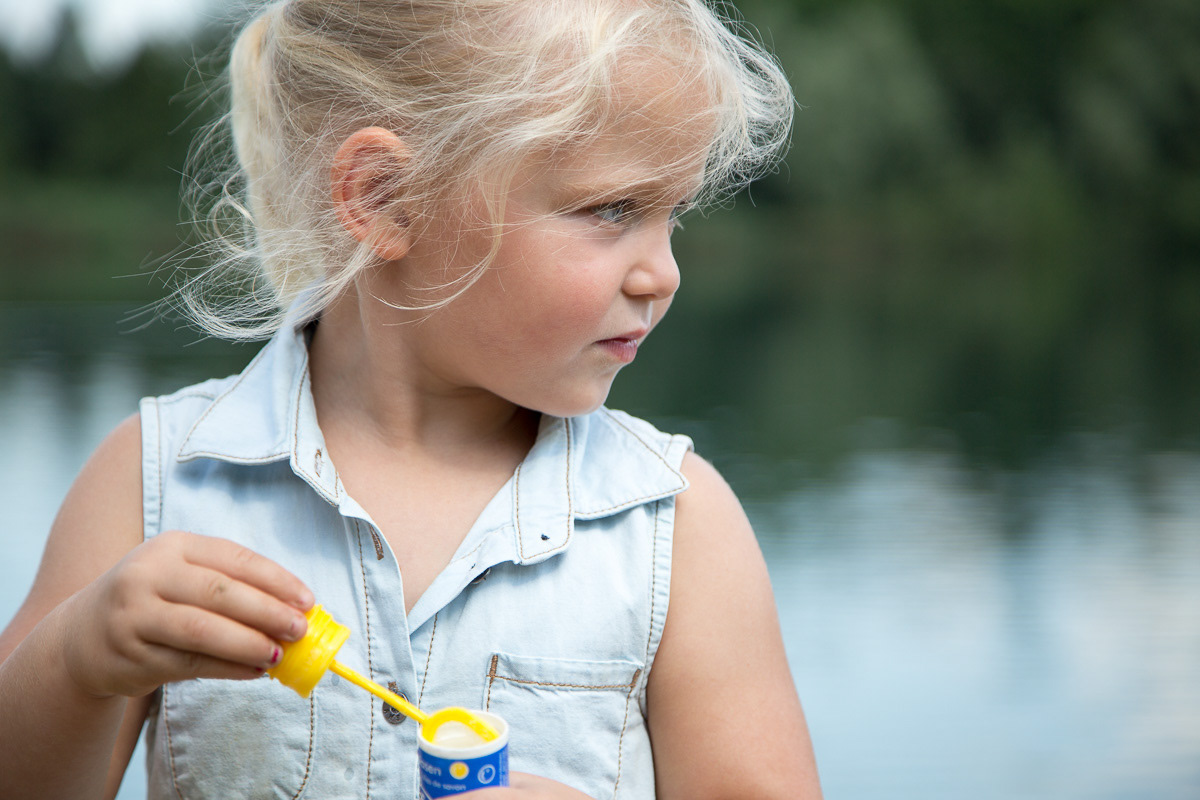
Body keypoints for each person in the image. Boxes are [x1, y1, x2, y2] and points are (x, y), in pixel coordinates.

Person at [0, 0, 821, 797]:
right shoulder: (156, 482)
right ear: (386, 197)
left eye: (669, 216)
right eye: (612, 210)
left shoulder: (676, 525)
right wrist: (77, 662)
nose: (663, 274)